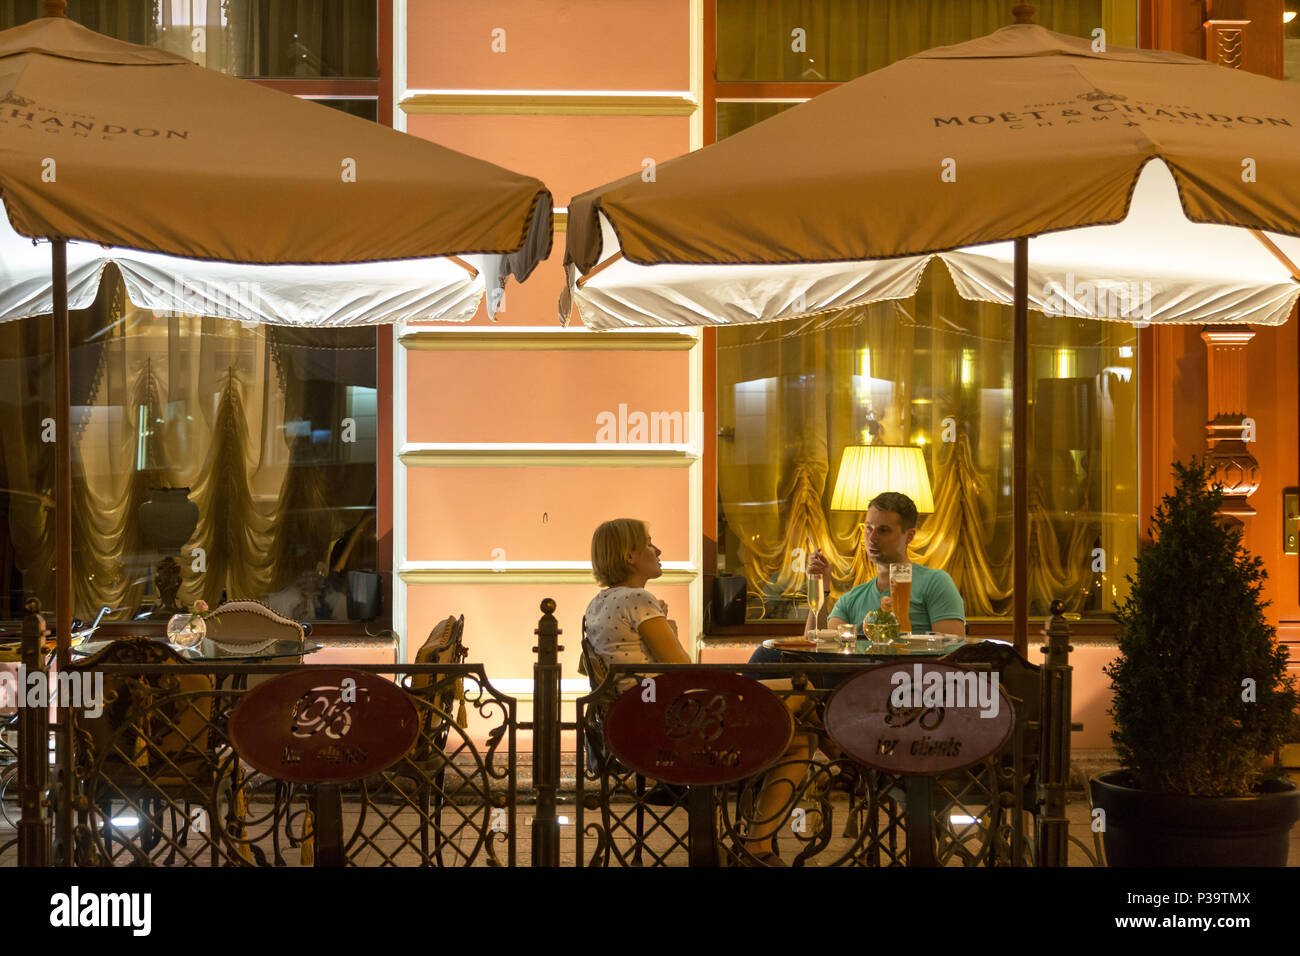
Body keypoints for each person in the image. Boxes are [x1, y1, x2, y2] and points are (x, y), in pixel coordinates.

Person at [584, 518, 814, 865]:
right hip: (677, 722)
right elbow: (685, 670)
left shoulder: (598, 605)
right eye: (649, 543)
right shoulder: (636, 598)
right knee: (803, 700)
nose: (657, 550)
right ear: (630, 556)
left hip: (636, 722)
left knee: (797, 726)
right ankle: (757, 845)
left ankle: (757, 830)